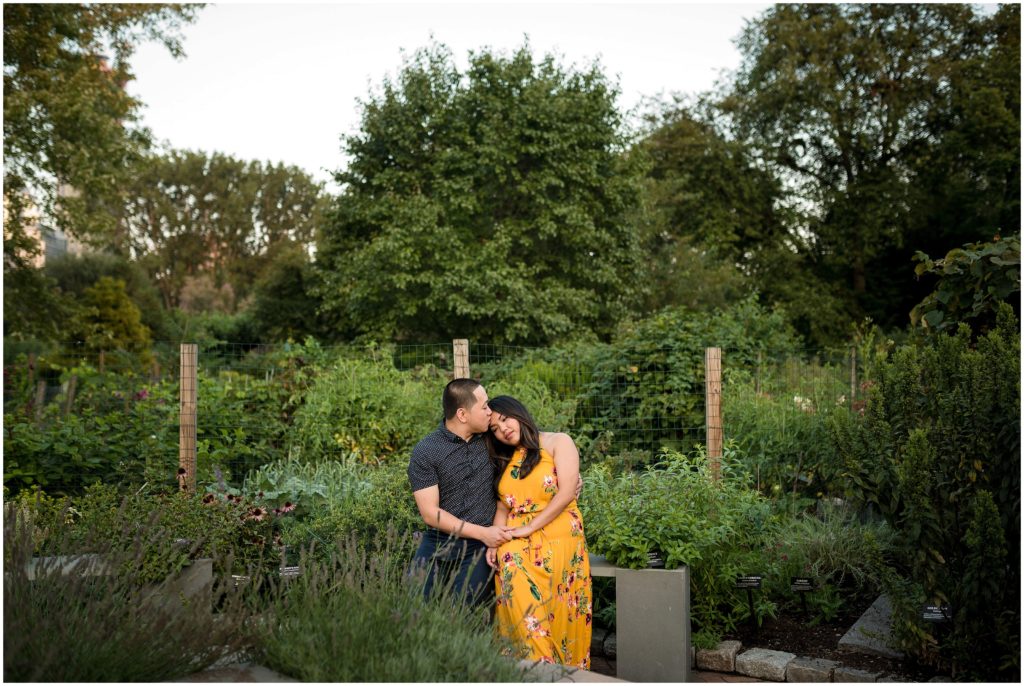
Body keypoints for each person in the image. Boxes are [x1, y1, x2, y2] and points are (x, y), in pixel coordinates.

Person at [484, 395, 593, 669]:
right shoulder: (506, 460)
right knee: (511, 565)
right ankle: (538, 667)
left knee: (560, 606)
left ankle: (560, 670)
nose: (503, 430)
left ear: (518, 413)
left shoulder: (558, 442)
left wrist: (531, 526)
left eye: (504, 419)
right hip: (517, 538)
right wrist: (493, 543)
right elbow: (502, 508)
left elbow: (567, 491)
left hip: (558, 531)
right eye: (495, 429)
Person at [407, 378, 513, 606]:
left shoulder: (491, 438)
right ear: (463, 415)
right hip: (438, 540)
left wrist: (564, 473)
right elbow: (430, 513)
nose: (490, 412)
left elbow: (533, 443)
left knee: (466, 609)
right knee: (414, 606)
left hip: (479, 547)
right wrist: (483, 533)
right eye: (484, 406)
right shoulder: (426, 451)